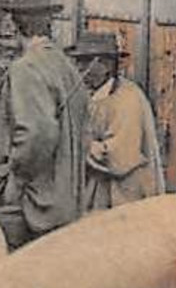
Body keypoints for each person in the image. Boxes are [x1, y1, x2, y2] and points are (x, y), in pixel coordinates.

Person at [0, 1, 88, 247]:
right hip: (63, 198)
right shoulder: (64, 65)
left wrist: (14, 182)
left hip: (30, 206)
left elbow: (37, 134)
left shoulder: (26, 68)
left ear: (16, 26)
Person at [68, 31, 166, 211]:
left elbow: (119, 154)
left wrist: (78, 145)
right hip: (99, 190)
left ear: (105, 64)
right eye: (79, 62)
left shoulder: (128, 99)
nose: (80, 69)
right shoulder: (93, 95)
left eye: (86, 62)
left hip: (125, 193)